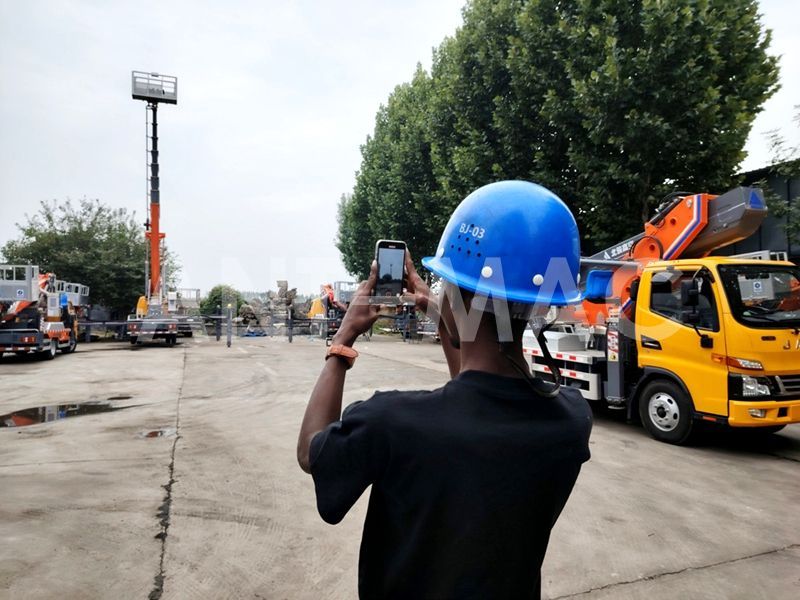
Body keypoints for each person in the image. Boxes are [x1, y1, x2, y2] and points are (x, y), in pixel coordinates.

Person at [297, 180, 592, 599]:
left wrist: (342, 341)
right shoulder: (572, 419)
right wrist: (442, 311)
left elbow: (312, 452)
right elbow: (475, 394)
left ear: (453, 297)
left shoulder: (391, 423)